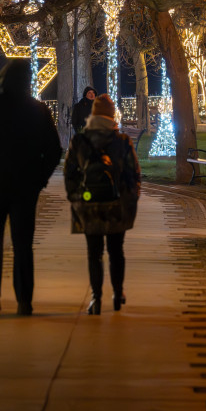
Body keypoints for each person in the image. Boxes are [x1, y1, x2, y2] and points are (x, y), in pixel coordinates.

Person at [0, 61, 63, 316]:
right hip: (25, 187)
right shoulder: (39, 110)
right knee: (22, 244)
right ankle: (24, 300)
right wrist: (39, 179)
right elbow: (54, 150)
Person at [64, 94, 141, 315]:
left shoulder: (80, 140)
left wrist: (76, 197)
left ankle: (96, 299)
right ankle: (118, 293)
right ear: (111, 114)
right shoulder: (122, 141)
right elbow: (133, 173)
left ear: (93, 113)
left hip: (89, 205)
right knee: (117, 251)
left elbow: (70, 173)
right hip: (117, 205)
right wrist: (131, 199)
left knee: (93, 253)